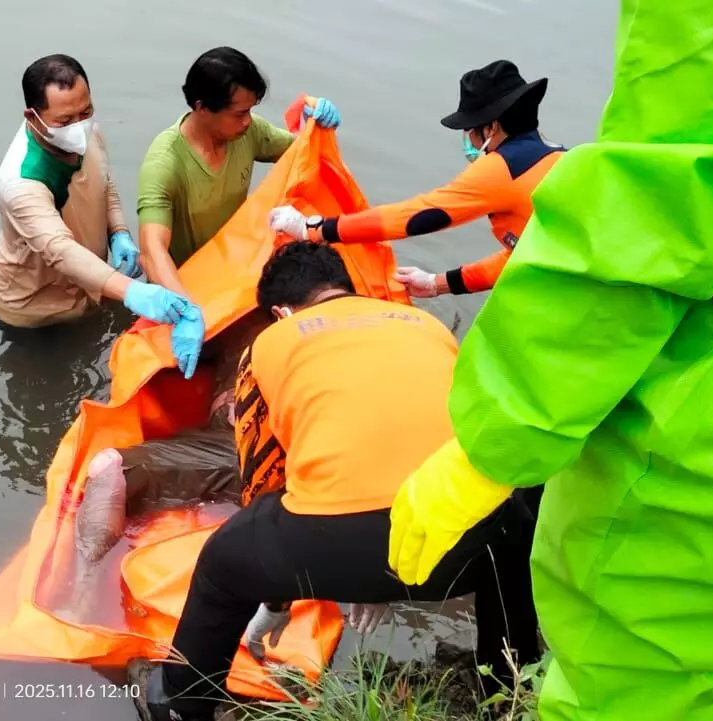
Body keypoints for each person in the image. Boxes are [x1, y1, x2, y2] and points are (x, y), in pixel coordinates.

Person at [385, 2, 713, 720]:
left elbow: (652, 207)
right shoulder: (545, 163)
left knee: (630, 689)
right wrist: (439, 284)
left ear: (487, 129)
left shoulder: (497, 175)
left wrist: (499, 432)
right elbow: (512, 260)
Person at [127, 241, 541, 721]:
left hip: (339, 546)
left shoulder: (270, 343)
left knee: (223, 563)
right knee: (513, 529)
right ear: (344, 288)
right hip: (460, 540)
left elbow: (263, 477)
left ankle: (180, 703)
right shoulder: (426, 325)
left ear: (281, 311)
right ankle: (509, 689)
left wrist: (279, 600)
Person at [268, 60, 563, 298]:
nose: (468, 139)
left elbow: (415, 216)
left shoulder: (503, 168)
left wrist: (313, 229)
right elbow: (522, 258)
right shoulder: (560, 158)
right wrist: (439, 283)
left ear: (492, 127)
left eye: (470, 130)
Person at [135, 47, 343, 376]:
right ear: (202, 108)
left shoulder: (247, 133)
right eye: (238, 113)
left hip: (235, 273)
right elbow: (151, 249)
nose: (247, 121)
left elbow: (301, 156)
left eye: (250, 111)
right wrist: (187, 310)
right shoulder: (165, 163)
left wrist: (313, 125)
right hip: (188, 288)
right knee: (253, 343)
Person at [0, 54, 196, 331]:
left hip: (90, 286)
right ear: (32, 117)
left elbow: (105, 183)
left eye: (85, 112)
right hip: (32, 309)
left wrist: (118, 232)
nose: (79, 126)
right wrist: (132, 291)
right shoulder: (22, 181)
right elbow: (60, 250)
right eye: (64, 120)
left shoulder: (88, 133)